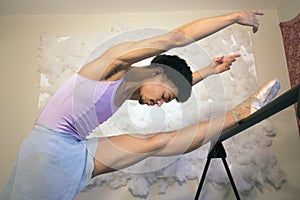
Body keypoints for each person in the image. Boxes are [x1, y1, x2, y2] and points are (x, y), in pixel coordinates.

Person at [0, 10, 280, 200]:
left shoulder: (130, 88)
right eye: (165, 98)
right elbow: (175, 38)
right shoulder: (114, 64)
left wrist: (207, 71)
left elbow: (172, 83)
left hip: (74, 145)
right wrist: (234, 17)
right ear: (158, 72)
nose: (159, 104)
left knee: (157, 142)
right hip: (48, 148)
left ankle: (242, 111)